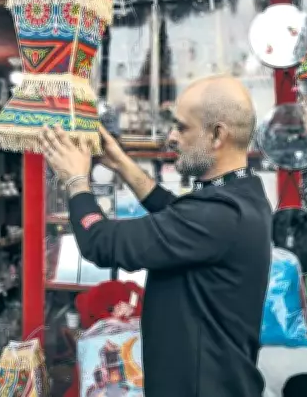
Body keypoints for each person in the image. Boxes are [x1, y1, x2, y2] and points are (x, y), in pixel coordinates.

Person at [40, 75, 272, 396]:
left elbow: (101, 242)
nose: (172, 138)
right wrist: (121, 162)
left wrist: (76, 180)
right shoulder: (242, 197)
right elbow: (175, 211)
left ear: (217, 135)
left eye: (182, 127)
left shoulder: (220, 214)